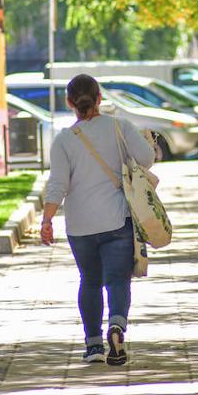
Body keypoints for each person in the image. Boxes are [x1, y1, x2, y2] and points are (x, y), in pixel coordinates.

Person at [40, 73, 155, 366]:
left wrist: (47, 220)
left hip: (80, 226)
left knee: (89, 281)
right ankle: (116, 326)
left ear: (69, 103)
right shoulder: (120, 127)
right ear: (100, 98)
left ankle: (93, 346)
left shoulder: (64, 140)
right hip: (117, 220)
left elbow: (57, 185)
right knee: (117, 280)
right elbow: (146, 159)